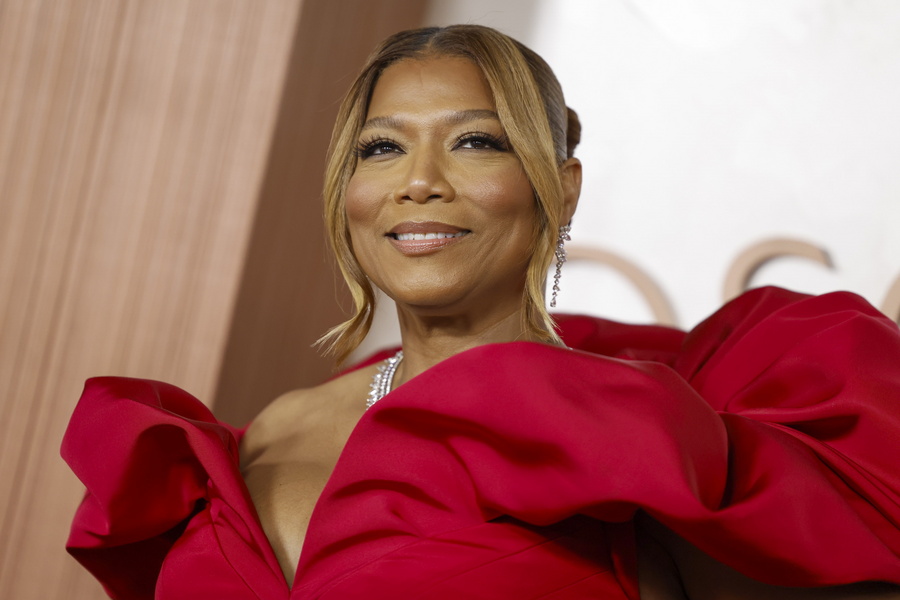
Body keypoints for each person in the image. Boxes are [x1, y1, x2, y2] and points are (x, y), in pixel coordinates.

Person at [62, 24, 900, 599]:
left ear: (558, 188)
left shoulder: (631, 439)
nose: (418, 180)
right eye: (382, 148)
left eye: (476, 141)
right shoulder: (279, 426)